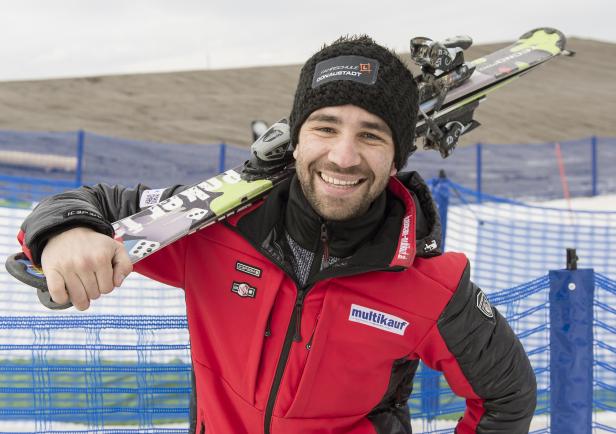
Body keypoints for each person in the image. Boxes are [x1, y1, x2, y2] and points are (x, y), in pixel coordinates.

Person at [18, 35, 536, 434]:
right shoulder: (213, 227)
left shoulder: (432, 286)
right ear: (295, 138)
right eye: (325, 127)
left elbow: (506, 396)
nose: (344, 156)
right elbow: (87, 205)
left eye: (371, 135)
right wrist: (65, 232)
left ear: (397, 156)